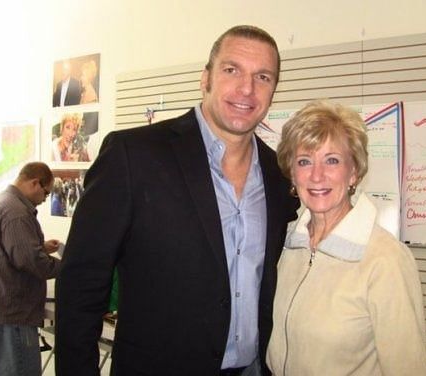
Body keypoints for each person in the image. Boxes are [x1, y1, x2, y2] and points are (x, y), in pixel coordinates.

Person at [55, 25, 299, 376]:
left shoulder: (279, 177)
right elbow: (80, 284)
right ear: (206, 78)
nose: (247, 88)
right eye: (232, 70)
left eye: (263, 76)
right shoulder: (133, 155)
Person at [266, 99, 426, 375]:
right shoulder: (285, 245)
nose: (317, 176)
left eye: (332, 160)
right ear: (292, 174)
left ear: (354, 171)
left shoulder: (384, 260)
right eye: (304, 161)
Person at [0, 162, 62, 376]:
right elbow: (32, 263)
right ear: (34, 183)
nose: (44, 199)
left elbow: (7, 252)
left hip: (0, 308)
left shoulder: (0, 202)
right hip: (15, 316)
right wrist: (68, 266)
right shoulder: (17, 213)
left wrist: (41, 248)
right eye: (46, 193)